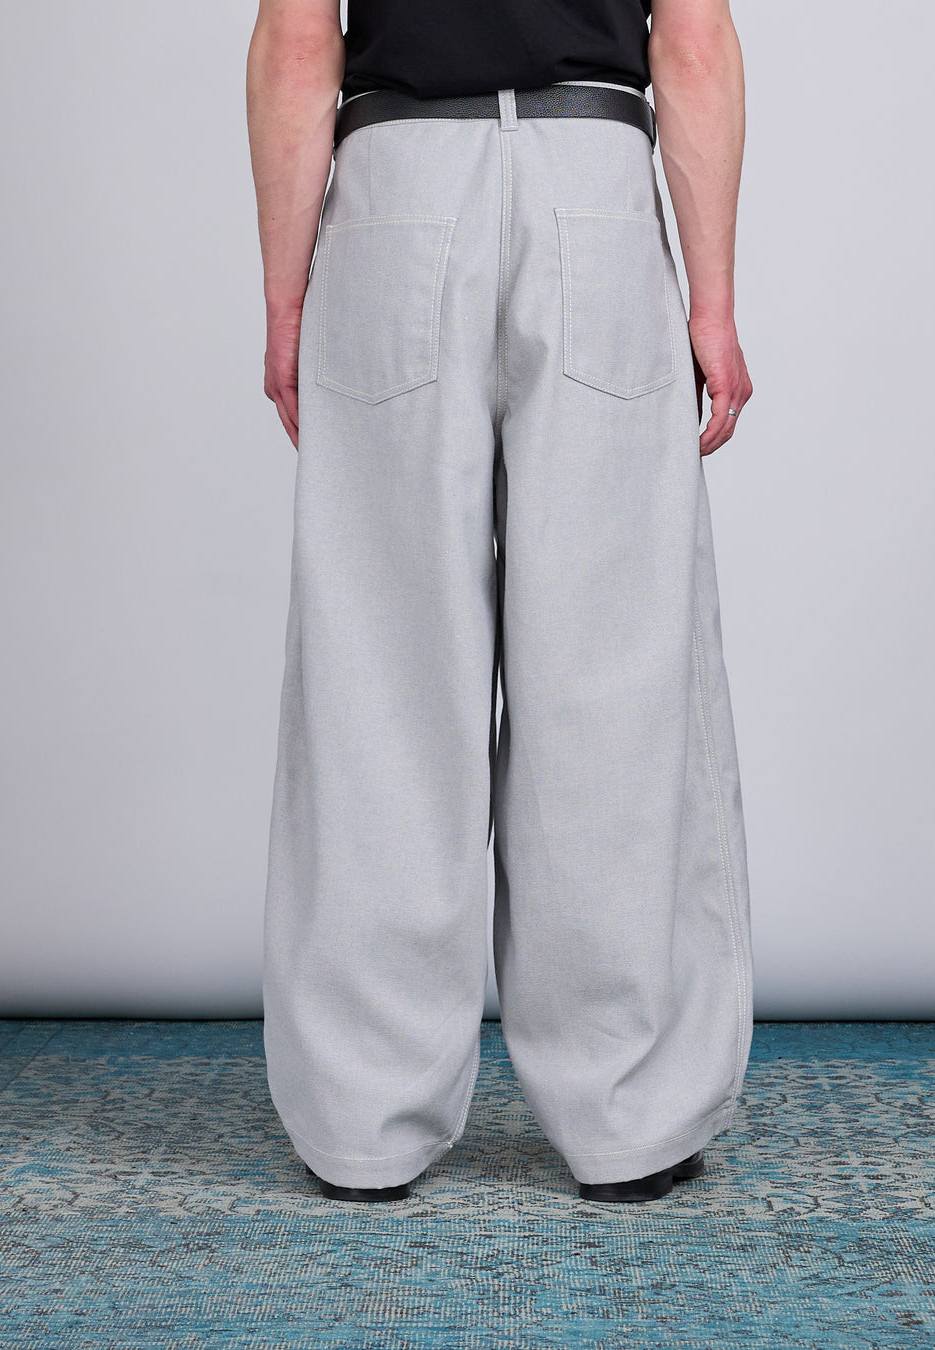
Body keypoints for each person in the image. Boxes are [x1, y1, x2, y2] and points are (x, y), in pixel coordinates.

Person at [246, 0, 754, 1205]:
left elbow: (298, 42)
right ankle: (630, 1117)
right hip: (594, 185)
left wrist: (285, 299)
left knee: (381, 673)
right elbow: (691, 43)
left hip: (397, 189)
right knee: (614, 669)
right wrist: (712, 302)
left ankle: (364, 1121)